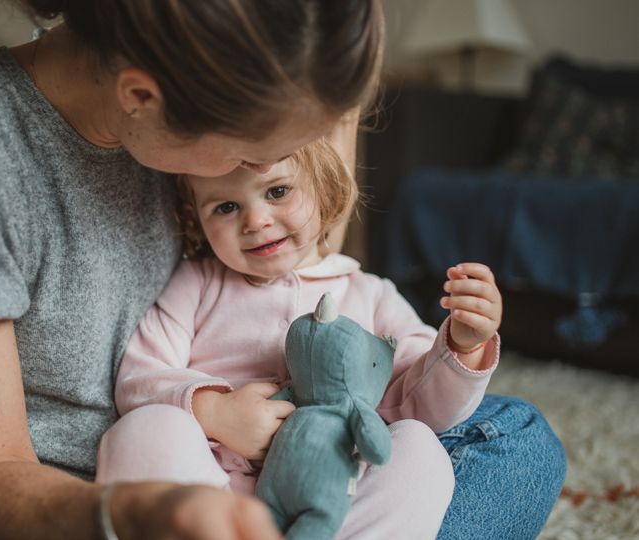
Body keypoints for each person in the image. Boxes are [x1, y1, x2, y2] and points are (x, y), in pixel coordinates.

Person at [0, 1, 388, 539]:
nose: (267, 172)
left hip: (236, 462)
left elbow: (310, 255)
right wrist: (141, 516)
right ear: (141, 96)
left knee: (448, 437)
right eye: (249, 156)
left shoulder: (189, 109)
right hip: (67, 509)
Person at [103, 137, 500, 540]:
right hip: (216, 492)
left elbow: (421, 406)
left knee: (419, 447)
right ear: (195, 218)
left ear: (324, 186)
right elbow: (138, 379)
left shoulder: (372, 294)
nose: (255, 220)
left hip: (333, 497)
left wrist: (464, 347)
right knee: (145, 431)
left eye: (278, 191)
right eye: (226, 207)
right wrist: (216, 413)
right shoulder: (197, 283)